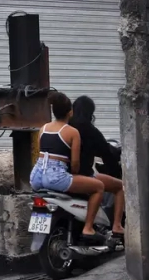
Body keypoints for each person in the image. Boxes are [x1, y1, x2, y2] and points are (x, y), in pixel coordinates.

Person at [30, 91, 105, 242]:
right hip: (56, 177)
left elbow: (41, 154)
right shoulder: (72, 132)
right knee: (99, 187)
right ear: (70, 112)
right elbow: (75, 163)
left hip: (36, 176)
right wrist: (75, 174)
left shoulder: (43, 128)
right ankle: (88, 228)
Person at [70, 95, 125, 237]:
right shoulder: (90, 131)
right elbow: (106, 153)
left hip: (63, 175)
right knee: (120, 187)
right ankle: (117, 226)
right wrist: (115, 170)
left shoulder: (65, 127)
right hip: (82, 175)